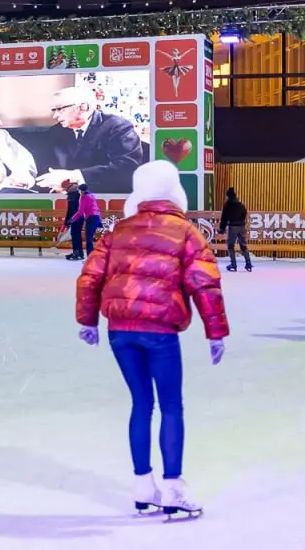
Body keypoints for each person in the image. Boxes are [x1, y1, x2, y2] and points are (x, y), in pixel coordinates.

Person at [75, 160, 229, 518]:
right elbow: (204, 284)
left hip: (120, 331)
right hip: (159, 330)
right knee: (171, 405)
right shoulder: (185, 232)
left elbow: (89, 276)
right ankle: (172, 486)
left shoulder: (118, 230)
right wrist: (215, 333)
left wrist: (88, 321)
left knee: (141, 404)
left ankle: (143, 484)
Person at [36, 85, 144, 193]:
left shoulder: (118, 127)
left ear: (83, 107)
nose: (55, 116)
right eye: (53, 110)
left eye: (60, 109)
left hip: (105, 195)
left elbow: (126, 168)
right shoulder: (57, 131)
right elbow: (49, 166)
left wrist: (74, 176)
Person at [218, 187, 252, 273]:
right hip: (241, 226)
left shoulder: (227, 205)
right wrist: (241, 221)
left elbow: (224, 218)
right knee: (243, 245)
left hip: (232, 227)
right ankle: (248, 263)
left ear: (228, 196)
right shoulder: (240, 204)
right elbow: (245, 213)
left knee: (230, 246)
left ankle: (233, 264)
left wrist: (222, 228)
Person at [70, 183, 102, 259]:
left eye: (79, 190)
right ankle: (93, 256)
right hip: (97, 218)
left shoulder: (84, 197)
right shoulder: (92, 196)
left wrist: (72, 219)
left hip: (91, 218)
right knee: (91, 238)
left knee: (89, 239)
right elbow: (96, 208)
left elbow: (80, 212)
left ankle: (90, 257)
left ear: (81, 191)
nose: (78, 192)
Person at [63, 186, 84, 261]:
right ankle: (80, 253)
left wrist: (67, 221)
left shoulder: (72, 198)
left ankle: (76, 252)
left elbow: (70, 210)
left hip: (74, 219)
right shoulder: (80, 197)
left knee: (75, 236)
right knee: (77, 235)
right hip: (80, 219)